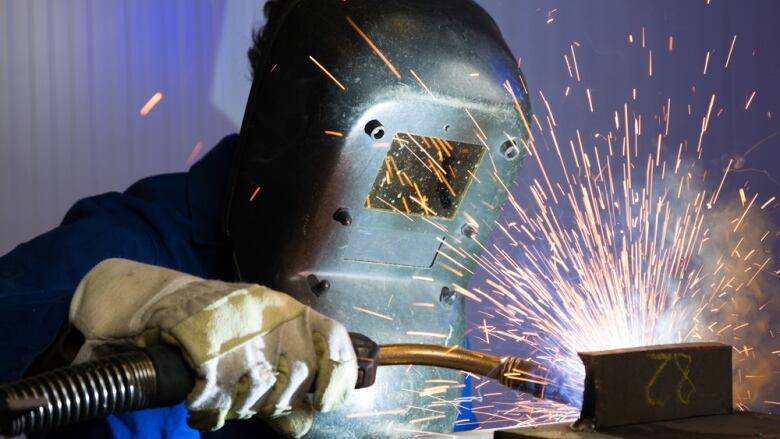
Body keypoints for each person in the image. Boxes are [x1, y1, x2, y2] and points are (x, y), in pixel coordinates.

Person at [0, 0, 532, 437]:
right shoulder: (128, 254)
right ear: (296, 107)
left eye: (447, 166)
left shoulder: (425, 306)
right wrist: (79, 327)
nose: (411, 188)